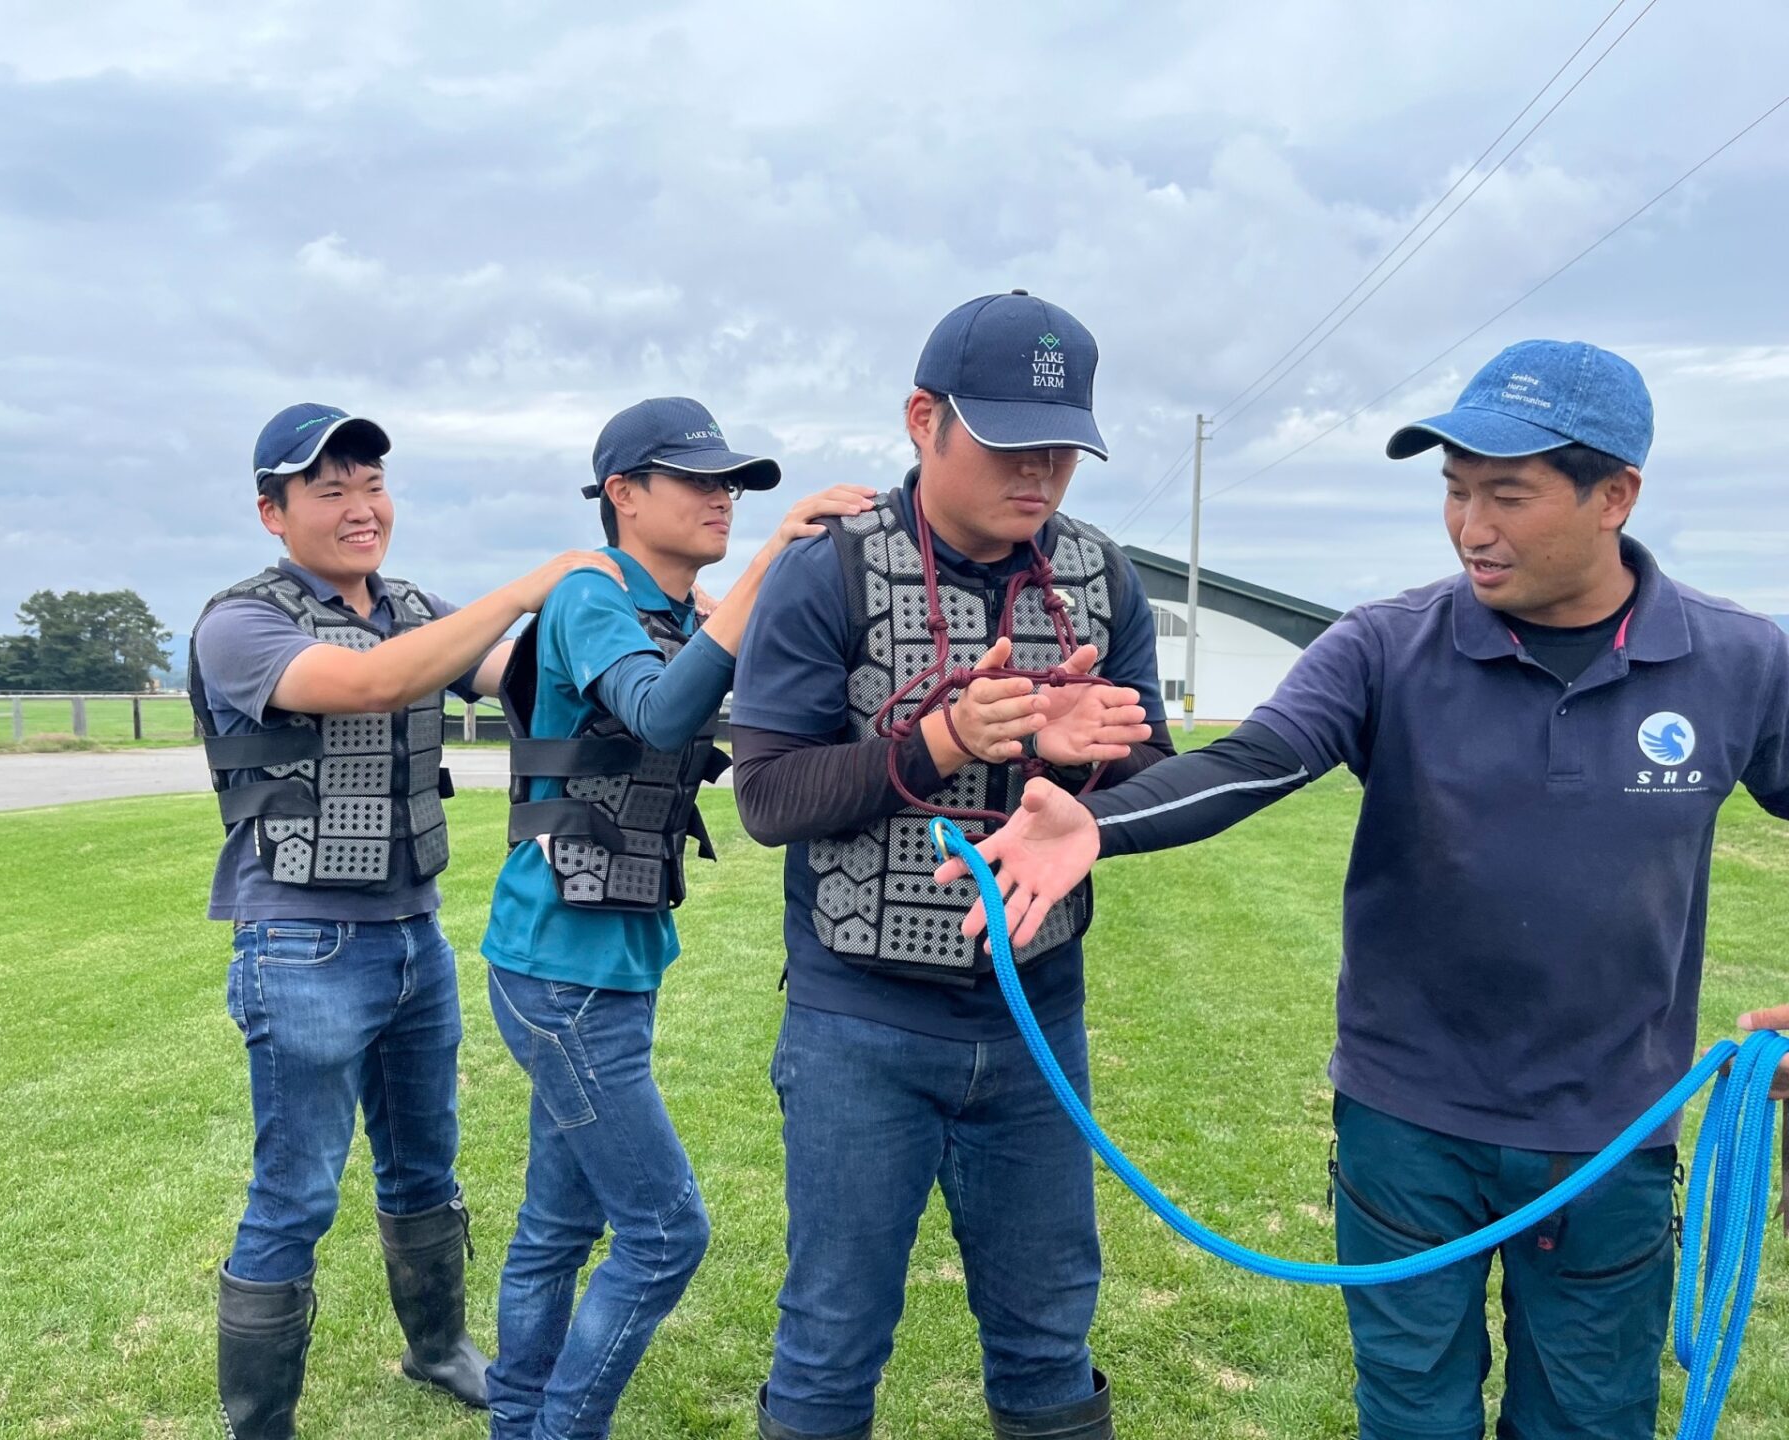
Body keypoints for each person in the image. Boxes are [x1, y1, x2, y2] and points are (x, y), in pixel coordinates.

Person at [936, 340, 1789, 1439]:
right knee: (1412, 1418)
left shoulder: (1736, 660)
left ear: (1616, 494)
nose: (1471, 526)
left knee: (1591, 1422)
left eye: (1508, 496)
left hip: (1613, 1135)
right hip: (1408, 1123)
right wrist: (1094, 821)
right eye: (1454, 491)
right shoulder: (1387, 644)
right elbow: (1257, 760)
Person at [730, 291, 1172, 1440]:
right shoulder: (827, 572)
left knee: (1048, 1339)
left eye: (1063, 449)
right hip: (858, 1024)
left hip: (1036, 1021)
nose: (1042, 475)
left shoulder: (1100, 576)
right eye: (1011, 444)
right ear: (923, 419)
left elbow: (1148, 779)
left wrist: (1070, 757)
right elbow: (768, 796)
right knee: (831, 1337)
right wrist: (940, 740)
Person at [188, 403, 620, 1440]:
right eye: (329, 489)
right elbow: (372, 684)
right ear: (272, 511)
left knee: (426, 1164)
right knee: (293, 1192)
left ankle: (437, 1349)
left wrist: (629, 623)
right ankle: (261, 1424)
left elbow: (516, 678)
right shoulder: (240, 624)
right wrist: (529, 585)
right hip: (301, 946)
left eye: (371, 484)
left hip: (413, 937)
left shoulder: (415, 606)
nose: (359, 507)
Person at [479, 396, 873, 1440]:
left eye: (732, 484)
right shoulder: (590, 595)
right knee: (663, 1234)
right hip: (560, 968)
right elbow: (655, 711)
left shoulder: (689, 620)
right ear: (623, 495)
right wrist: (767, 575)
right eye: (697, 479)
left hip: (609, 960)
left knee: (559, 1226)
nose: (725, 499)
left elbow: (762, 739)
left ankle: (517, 1420)